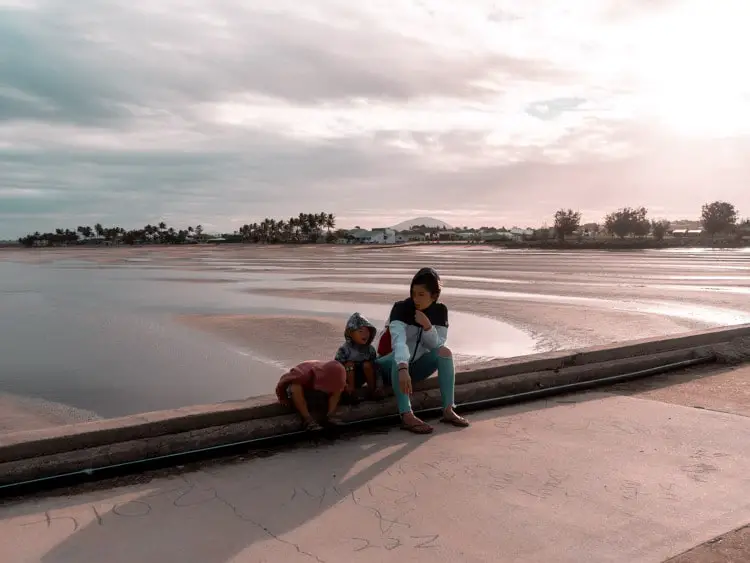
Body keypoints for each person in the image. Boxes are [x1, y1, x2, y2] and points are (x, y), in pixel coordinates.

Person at [378, 267, 470, 434]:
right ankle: (406, 414)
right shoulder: (401, 308)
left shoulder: (440, 311)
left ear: (434, 295)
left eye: (421, 294)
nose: (415, 299)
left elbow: (437, 345)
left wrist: (427, 326)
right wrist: (403, 367)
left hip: (416, 368)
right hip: (388, 368)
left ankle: (448, 410)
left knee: (445, 353)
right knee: (398, 358)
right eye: (413, 293)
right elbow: (398, 342)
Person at [275, 360, 347, 431]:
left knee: (338, 388)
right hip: (303, 389)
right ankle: (307, 420)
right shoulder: (302, 374)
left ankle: (330, 415)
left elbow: (337, 390)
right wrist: (282, 398)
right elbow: (282, 382)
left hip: (315, 390)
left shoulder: (336, 373)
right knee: (295, 387)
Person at [335, 312, 385, 401]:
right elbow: (336, 368)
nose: (364, 334)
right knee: (349, 365)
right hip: (348, 379)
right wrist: (344, 385)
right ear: (351, 333)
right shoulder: (344, 350)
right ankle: (351, 392)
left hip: (365, 376)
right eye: (360, 331)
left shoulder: (370, 350)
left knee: (367, 365)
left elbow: (377, 369)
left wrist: (379, 386)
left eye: (367, 331)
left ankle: (372, 390)